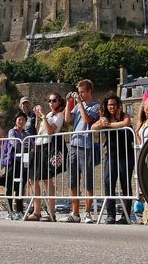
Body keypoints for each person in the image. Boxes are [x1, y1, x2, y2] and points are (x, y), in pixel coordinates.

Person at [92, 94, 135, 224]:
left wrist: (109, 125)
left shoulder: (124, 115)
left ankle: (125, 216)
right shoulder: (104, 118)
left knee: (125, 183)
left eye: (114, 104)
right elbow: (93, 128)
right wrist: (101, 124)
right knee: (108, 182)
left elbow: (126, 123)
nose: (112, 107)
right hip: (110, 154)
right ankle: (110, 215)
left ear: (118, 105)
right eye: (109, 104)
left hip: (126, 154)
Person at [63, 80, 100, 224]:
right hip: (73, 145)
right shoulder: (78, 106)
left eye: (82, 92)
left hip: (87, 146)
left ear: (89, 91)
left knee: (88, 181)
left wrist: (79, 103)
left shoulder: (96, 106)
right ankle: (75, 212)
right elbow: (67, 119)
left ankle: (87, 213)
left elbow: (87, 120)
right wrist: (68, 102)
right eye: (78, 92)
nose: (80, 94)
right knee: (72, 181)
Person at [26, 93, 65, 222]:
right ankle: (37, 211)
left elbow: (50, 131)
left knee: (47, 180)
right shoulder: (48, 115)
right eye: (49, 100)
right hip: (38, 146)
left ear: (59, 101)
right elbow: (39, 131)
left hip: (48, 146)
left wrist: (43, 116)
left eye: (53, 100)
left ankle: (51, 212)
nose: (51, 103)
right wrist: (39, 118)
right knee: (33, 179)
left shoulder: (60, 115)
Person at [0, 111, 28, 220]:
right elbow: (14, 143)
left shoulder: (26, 134)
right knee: (10, 186)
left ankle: (20, 211)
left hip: (23, 162)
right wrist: (25, 146)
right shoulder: (12, 131)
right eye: (19, 119)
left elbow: (32, 145)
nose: (21, 121)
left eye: (23, 120)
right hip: (12, 161)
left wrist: (26, 146)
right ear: (16, 120)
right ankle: (9, 211)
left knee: (20, 187)